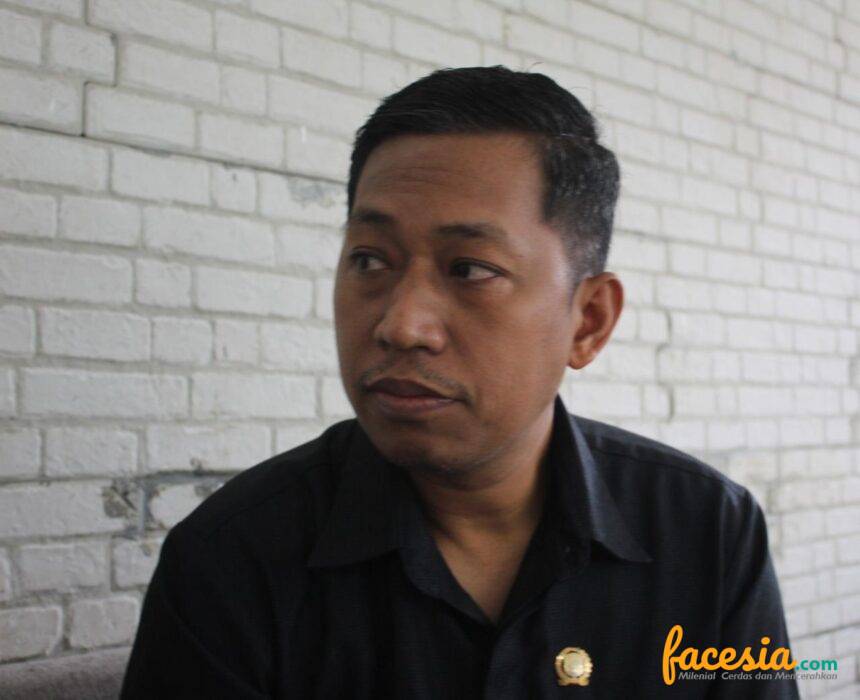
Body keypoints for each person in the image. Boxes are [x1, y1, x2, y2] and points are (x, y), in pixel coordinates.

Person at [120, 66, 799, 698]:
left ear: (588, 321)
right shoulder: (231, 560)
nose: (401, 325)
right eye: (370, 260)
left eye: (470, 269)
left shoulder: (706, 533)